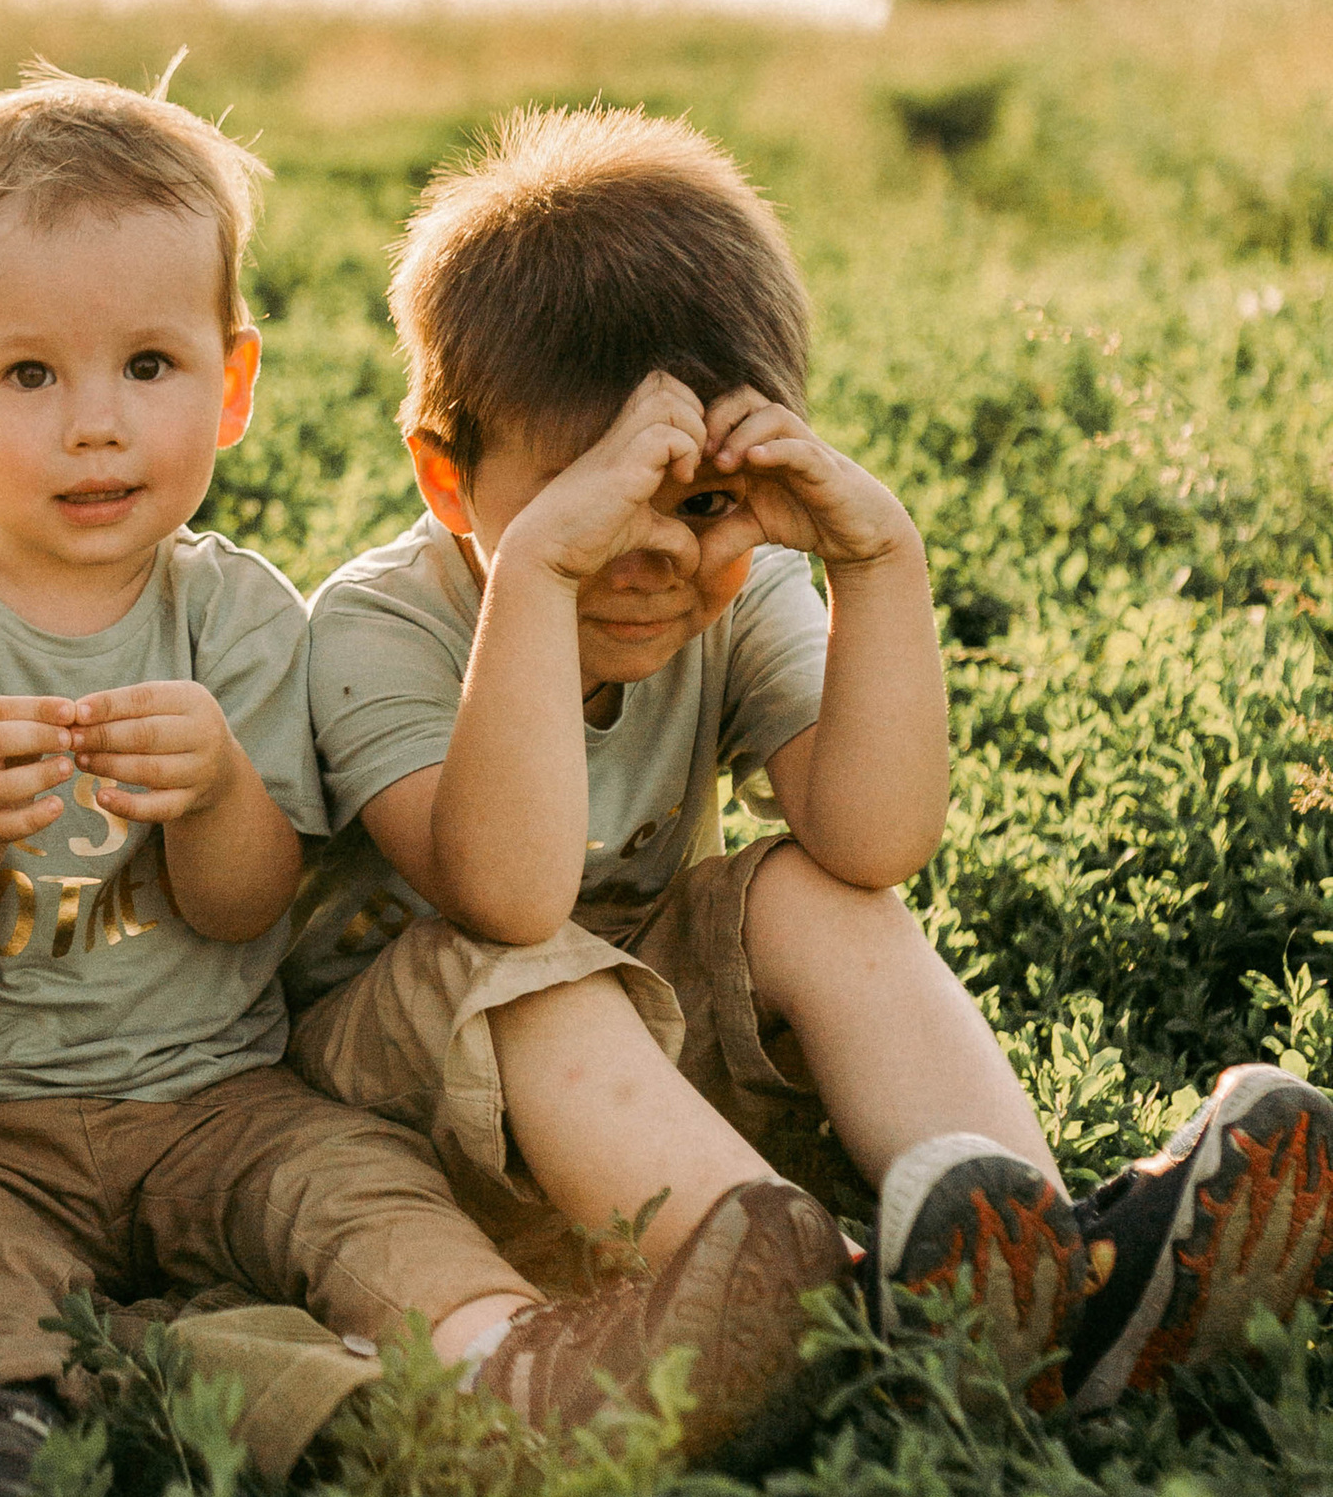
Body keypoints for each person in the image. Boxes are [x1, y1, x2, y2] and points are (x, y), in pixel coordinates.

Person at [0, 68, 853, 1497]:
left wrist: (213, 796)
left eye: (148, 366)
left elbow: (252, 908)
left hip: (222, 1093)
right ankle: (4, 1436)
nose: (96, 425)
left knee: (358, 1196)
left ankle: (514, 1360)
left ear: (232, 385)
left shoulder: (244, 617)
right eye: (27, 375)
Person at [287, 101, 1333, 1416]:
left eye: (704, 500)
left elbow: (873, 839)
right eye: (594, 499)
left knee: (809, 891)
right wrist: (541, 575)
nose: (658, 552)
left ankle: (1047, 1274)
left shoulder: (737, 587)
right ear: (449, 485)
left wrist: (878, 558)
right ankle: (832, 1327)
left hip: (636, 1070)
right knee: (535, 971)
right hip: (408, 1082)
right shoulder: (378, 623)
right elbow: (508, 899)